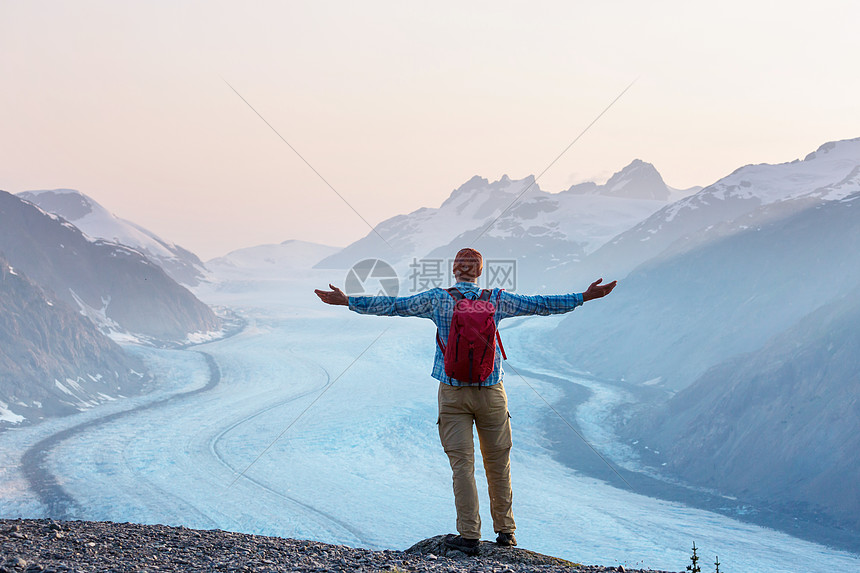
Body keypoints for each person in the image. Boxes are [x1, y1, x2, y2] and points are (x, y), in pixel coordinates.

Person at [314, 248, 616, 554]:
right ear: (480, 272)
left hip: (453, 393)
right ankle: (506, 531)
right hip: (491, 392)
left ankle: (469, 534)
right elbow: (541, 305)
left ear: (455, 271)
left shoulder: (437, 299)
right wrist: (584, 297)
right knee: (498, 463)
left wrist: (348, 301)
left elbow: (393, 306)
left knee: (463, 466)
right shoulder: (497, 298)